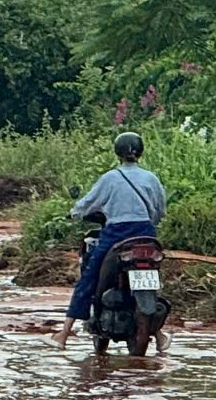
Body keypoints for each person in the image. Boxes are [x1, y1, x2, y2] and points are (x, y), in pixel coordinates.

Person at [66, 131, 168, 342]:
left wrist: (75, 212)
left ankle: (64, 334)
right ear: (141, 152)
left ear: (117, 153)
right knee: (153, 279)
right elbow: (160, 209)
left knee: (89, 277)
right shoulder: (151, 178)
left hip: (116, 235)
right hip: (146, 235)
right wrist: (151, 223)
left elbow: (88, 202)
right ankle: (158, 336)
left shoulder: (110, 178)